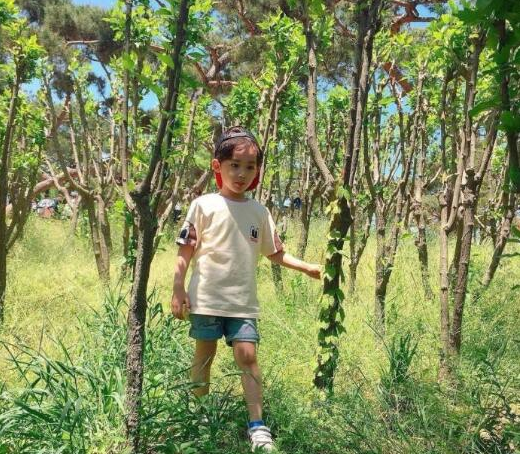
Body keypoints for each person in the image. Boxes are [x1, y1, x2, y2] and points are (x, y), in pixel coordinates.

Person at [171, 126, 321, 452]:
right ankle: (200, 415)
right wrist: (178, 288)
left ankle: (257, 425)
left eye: (250, 167)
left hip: (243, 303)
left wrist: (306, 267)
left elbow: (275, 252)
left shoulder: (259, 212)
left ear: (257, 171)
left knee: (248, 358)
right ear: (218, 166)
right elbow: (186, 250)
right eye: (234, 165)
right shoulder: (204, 205)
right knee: (204, 357)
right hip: (206, 299)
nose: (241, 174)